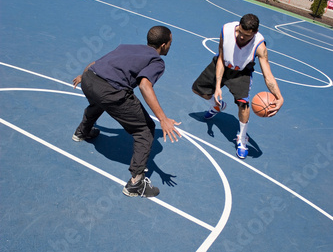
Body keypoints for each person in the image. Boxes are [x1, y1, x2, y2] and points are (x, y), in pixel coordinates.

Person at [72, 25, 181, 197]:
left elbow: (96, 63)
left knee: (100, 100)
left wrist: (83, 76)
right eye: (170, 43)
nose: (170, 45)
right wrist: (163, 118)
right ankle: (136, 183)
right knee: (145, 129)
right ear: (163, 45)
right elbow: (145, 85)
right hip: (109, 90)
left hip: (89, 79)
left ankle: (82, 131)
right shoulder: (157, 61)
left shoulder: (127, 47)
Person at [192, 14, 284, 159]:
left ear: (255, 32)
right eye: (240, 32)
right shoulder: (226, 30)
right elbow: (221, 57)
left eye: (246, 36)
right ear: (238, 26)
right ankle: (217, 106)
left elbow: (268, 75)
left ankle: (242, 138)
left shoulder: (260, 46)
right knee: (197, 89)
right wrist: (217, 87)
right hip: (222, 64)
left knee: (243, 105)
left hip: (241, 73)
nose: (241, 37)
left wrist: (279, 97)